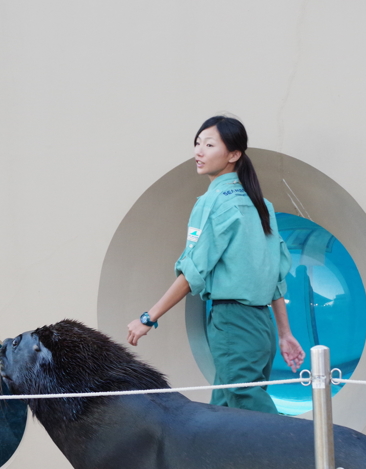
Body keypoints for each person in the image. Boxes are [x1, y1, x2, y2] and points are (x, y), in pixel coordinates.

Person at [127, 115, 305, 413]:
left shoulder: (214, 202)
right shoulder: (262, 204)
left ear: (233, 155)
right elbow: (274, 276)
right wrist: (284, 334)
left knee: (251, 412)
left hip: (233, 323)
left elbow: (193, 271)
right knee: (224, 414)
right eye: (197, 144)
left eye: (209, 145)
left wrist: (148, 318)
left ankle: (300, 457)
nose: (199, 151)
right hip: (262, 328)